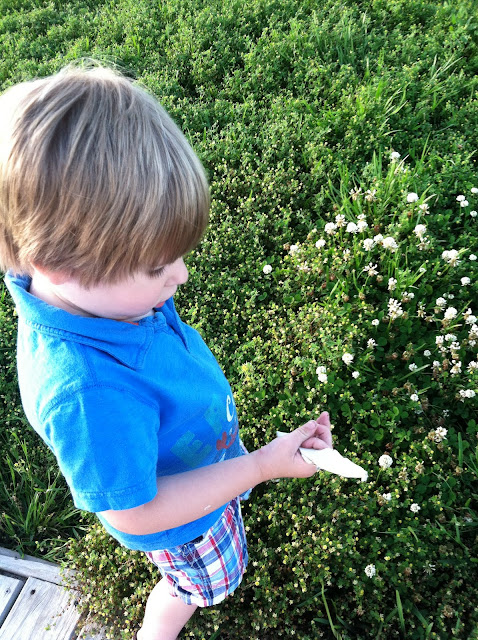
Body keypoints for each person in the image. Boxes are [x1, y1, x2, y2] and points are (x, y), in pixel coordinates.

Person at [0, 63, 333, 640]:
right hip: (186, 528)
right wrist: (257, 468)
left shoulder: (99, 299)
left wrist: (245, 465)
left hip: (199, 460)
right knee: (199, 586)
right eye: (157, 266)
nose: (180, 275)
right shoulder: (87, 391)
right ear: (59, 266)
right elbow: (136, 513)